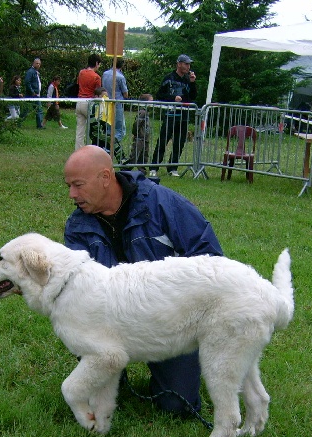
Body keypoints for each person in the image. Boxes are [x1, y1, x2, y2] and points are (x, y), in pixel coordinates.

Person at [63, 145, 224, 415]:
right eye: (68, 186)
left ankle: (167, 376)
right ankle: (110, 368)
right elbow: (76, 287)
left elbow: (212, 260)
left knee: (178, 407)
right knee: (90, 394)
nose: (72, 194)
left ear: (105, 177)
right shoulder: (78, 226)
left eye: (78, 185)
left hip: (170, 324)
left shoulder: (163, 204)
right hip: (110, 324)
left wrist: (178, 304)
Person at [150, 54, 197, 178]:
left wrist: (192, 83)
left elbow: (193, 96)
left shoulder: (187, 80)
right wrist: (172, 98)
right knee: (163, 140)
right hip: (170, 114)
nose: (188, 67)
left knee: (179, 142)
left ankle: (173, 167)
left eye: (189, 64)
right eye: (186, 64)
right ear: (179, 64)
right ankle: (154, 167)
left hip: (183, 115)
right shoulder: (168, 78)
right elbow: (160, 95)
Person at [75, 53, 103, 150]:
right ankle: (94, 151)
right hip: (89, 103)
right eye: (99, 64)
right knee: (95, 130)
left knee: (80, 131)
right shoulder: (97, 77)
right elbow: (98, 92)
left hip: (79, 102)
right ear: (96, 63)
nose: (99, 66)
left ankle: (78, 152)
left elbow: (78, 84)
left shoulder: (81, 72)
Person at [101, 57, 129, 145]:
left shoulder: (105, 74)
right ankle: (113, 147)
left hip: (106, 101)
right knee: (119, 129)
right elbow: (125, 93)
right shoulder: (120, 77)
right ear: (122, 65)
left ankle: (106, 145)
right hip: (117, 103)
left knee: (109, 126)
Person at [128, 93, 153, 171]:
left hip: (145, 138)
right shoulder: (142, 112)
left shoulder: (146, 112)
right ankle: (126, 168)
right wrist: (135, 134)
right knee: (135, 154)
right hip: (140, 138)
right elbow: (137, 124)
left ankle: (142, 171)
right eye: (151, 101)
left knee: (144, 155)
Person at [22, 57, 44, 129]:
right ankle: (39, 125)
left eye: (39, 64)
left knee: (36, 109)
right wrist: (32, 92)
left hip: (36, 94)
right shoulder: (30, 72)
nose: (38, 65)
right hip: (32, 95)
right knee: (30, 110)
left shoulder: (35, 72)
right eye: (37, 63)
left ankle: (39, 125)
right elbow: (27, 82)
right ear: (33, 63)